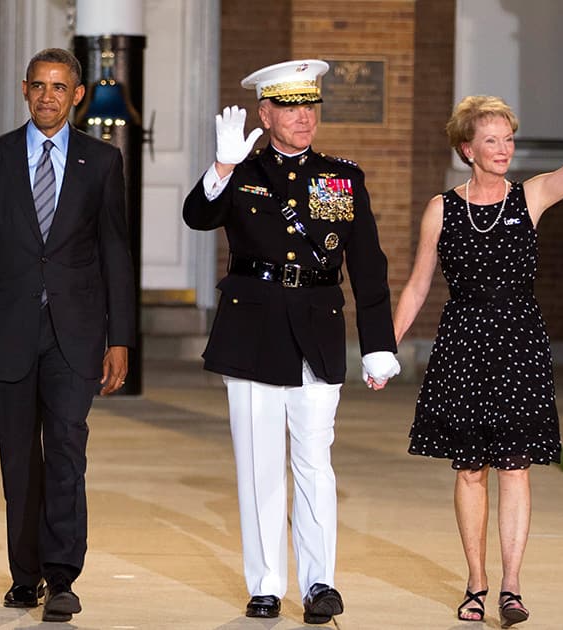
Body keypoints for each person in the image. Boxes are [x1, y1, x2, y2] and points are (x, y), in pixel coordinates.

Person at [393, 42, 563, 627]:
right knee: (470, 468)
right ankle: (475, 582)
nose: (505, 149)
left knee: (514, 466)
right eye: (492, 140)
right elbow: (419, 286)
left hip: (519, 340)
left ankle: (512, 588)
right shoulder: (441, 209)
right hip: (464, 342)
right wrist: (384, 346)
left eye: (509, 139)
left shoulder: (533, 195)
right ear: (467, 148)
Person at [182, 59, 400, 625]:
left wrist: (379, 345)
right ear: (265, 112)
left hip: (318, 326)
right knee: (258, 466)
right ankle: (266, 584)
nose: (304, 118)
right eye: (290, 107)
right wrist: (223, 164)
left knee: (313, 463)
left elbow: (369, 267)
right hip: (252, 327)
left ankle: (320, 582)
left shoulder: (340, 176)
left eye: (311, 107)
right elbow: (196, 217)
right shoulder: (241, 170)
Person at [0, 47, 135, 623]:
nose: (48, 96)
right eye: (38, 86)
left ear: (77, 96)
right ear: (24, 90)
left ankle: (62, 576)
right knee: (20, 460)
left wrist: (121, 338)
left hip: (76, 334)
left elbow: (116, 251)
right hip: (9, 333)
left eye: (59, 87)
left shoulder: (101, 162)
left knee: (67, 449)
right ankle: (26, 576)